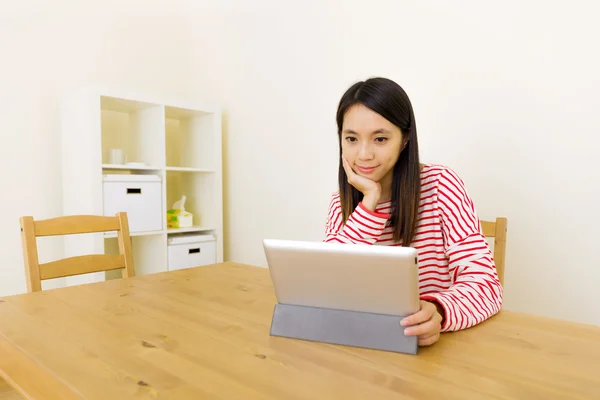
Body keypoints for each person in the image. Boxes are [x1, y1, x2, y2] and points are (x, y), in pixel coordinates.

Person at [324, 77, 503, 346]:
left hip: (433, 351)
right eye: (351, 138)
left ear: (405, 139)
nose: (363, 154)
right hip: (367, 347)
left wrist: (440, 312)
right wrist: (369, 203)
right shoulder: (341, 203)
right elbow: (328, 288)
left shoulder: (441, 185)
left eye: (380, 139)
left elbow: (486, 286)